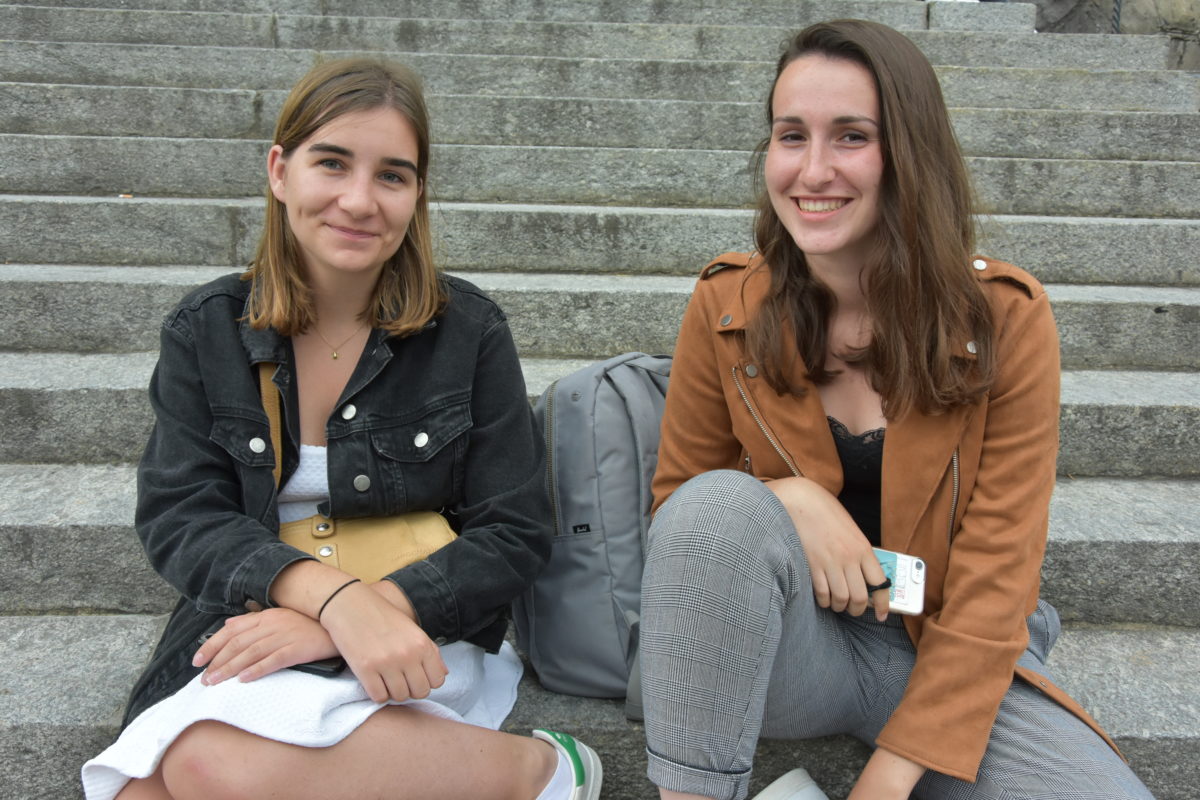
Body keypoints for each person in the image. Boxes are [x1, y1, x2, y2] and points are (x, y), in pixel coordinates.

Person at [639, 19, 1153, 800]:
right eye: (791, 135)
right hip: (790, 643)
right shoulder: (727, 304)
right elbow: (681, 515)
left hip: (947, 649)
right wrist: (789, 499)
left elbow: (997, 578)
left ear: (909, 153)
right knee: (716, 506)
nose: (813, 170)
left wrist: (889, 778)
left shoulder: (1005, 319)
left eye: (852, 136)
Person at [81, 58, 601, 800]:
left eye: (392, 175)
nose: (359, 200)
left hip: (413, 620)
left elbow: (513, 531)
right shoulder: (207, 330)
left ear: (417, 194)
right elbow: (181, 514)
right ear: (280, 171)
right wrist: (327, 598)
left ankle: (540, 771)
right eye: (331, 163)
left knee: (207, 765)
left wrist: (355, 615)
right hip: (255, 614)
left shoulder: (469, 330)